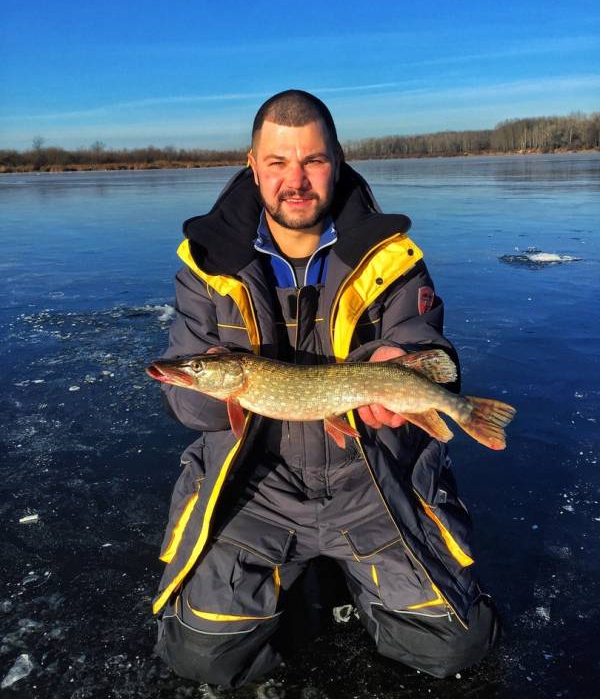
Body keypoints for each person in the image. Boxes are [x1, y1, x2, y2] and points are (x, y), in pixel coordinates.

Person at [152, 90, 500, 688]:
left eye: (312, 160)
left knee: (454, 647)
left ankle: (348, 575)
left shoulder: (391, 258)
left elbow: (424, 342)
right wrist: (205, 382)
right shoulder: (205, 265)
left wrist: (408, 361)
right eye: (279, 162)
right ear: (253, 164)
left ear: (337, 160)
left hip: (369, 481)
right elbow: (187, 398)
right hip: (255, 491)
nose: (296, 179)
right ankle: (300, 582)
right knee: (203, 657)